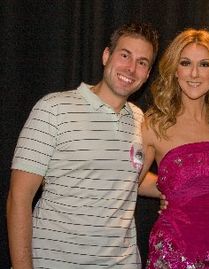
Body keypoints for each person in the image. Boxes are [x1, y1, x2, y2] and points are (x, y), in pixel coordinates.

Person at [6, 22, 159, 269]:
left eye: (142, 62)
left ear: (148, 73)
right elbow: (19, 198)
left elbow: (127, 180)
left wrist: (184, 188)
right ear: (106, 56)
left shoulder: (141, 120)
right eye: (124, 55)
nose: (131, 68)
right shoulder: (53, 109)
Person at [138, 28, 209, 268]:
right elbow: (128, 182)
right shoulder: (154, 124)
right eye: (186, 63)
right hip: (175, 251)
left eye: (204, 64)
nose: (194, 73)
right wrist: (165, 190)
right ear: (175, 70)